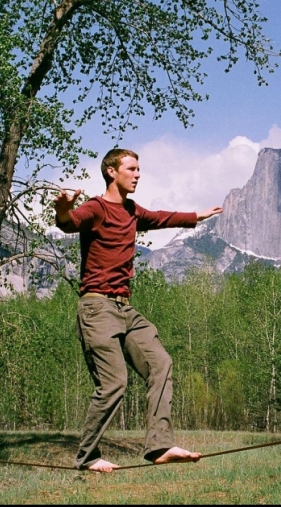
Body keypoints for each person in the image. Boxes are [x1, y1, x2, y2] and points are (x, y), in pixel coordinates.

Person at [54, 148, 223, 472]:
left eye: (139, 169)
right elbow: (70, 222)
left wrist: (196, 216)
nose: (138, 174)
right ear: (111, 172)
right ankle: (88, 457)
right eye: (131, 168)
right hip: (97, 307)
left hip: (125, 309)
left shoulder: (131, 210)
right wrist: (63, 210)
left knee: (161, 362)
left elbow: (161, 217)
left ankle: (160, 444)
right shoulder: (95, 207)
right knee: (114, 383)